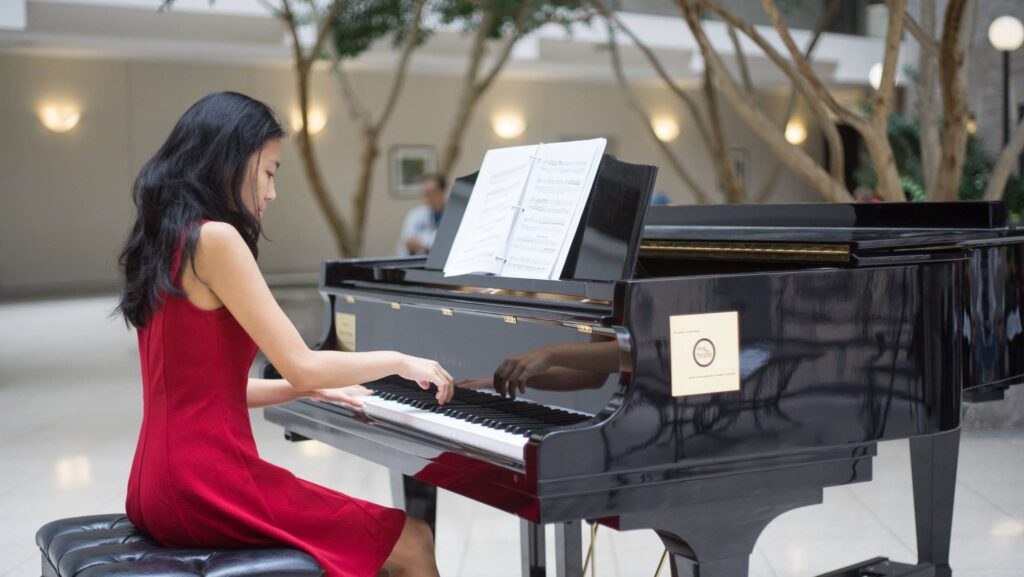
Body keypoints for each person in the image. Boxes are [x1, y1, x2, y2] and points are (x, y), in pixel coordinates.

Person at [116, 91, 453, 577]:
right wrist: (402, 360)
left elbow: (211, 392)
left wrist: (312, 388)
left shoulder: (169, 238)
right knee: (414, 540)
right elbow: (300, 360)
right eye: (270, 171)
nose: (272, 192)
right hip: (208, 483)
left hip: (156, 484)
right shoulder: (217, 239)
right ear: (229, 160)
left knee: (375, 548)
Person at [396, 174, 446, 256]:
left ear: (442, 192)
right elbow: (407, 243)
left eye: (432, 192)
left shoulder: (455, 216)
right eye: (425, 193)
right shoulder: (415, 215)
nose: (428, 197)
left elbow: (446, 246)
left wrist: (424, 246)